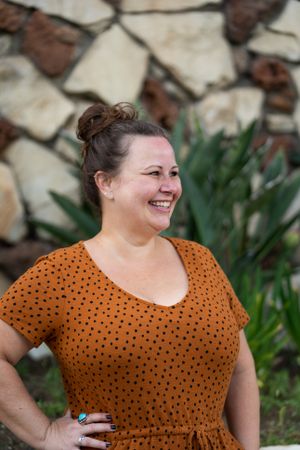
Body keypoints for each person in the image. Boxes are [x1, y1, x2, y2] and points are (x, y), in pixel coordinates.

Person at [0, 102, 260, 450]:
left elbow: (241, 369)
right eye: (154, 173)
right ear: (106, 183)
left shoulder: (200, 261)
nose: (169, 186)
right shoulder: (61, 273)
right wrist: (45, 433)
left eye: (174, 172)